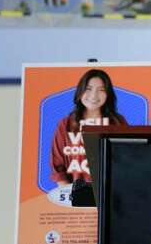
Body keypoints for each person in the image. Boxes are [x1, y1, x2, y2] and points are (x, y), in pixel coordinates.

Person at [49, 69, 125, 205]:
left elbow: (127, 161)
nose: (94, 95)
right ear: (80, 91)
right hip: (76, 200)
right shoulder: (65, 124)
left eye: (101, 89)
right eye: (88, 89)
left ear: (108, 94)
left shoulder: (118, 123)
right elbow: (58, 167)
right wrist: (71, 198)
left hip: (111, 199)